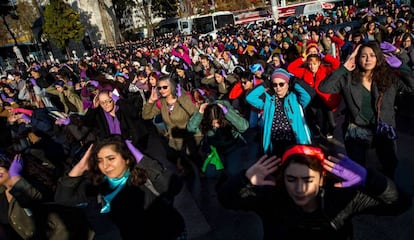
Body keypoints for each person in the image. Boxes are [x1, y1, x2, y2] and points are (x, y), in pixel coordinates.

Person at [217, 144, 412, 240]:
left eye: (308, 180)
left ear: (321, 179)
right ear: (282, 178)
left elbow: (399, 204)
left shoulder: (341, 198)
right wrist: (245, 178)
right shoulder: (272, 198)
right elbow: (227, 200)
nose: (300, 189)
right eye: (291, 179)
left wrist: (369, 179)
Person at [54, 135, 186, 239]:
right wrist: (80, 168)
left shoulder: (143, 175)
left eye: (111, 158)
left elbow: (173, 186)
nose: (105, 166)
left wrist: (141, 159)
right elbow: (63, 199)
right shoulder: (100, 185)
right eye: (100, 160)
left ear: (126, 159)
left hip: (169, 233)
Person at [319, 42, 414, 178]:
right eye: (363, 56)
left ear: (378, 58)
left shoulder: (389, 78)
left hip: (384, 129)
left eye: (372, 55)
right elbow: (324, 88)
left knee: (389, 166)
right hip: (357, 132)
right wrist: (344, 67)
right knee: (358, 170)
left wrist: (402, 66)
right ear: (357, 59)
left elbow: (412, 87)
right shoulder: (348, 79)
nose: (368, 59)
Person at [246, 68, 314, 156]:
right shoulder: (269, 100)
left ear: (287, 84)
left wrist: (294, 81)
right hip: (275, 144)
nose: (278, 87)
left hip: (294, 142)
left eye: (281, 84)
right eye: (275, 85)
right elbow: (250, 97)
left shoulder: (295, 98)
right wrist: (266, 84)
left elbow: (308, 95)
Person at [187, 100, 249, 176]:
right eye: (213, 123)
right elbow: (191, 129)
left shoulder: (228, 115)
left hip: (234, 148)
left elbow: (244, 127)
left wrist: (228, 113)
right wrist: (200, 113)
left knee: (233, 171)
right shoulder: (205, 120)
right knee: (211, 173)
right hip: (216, 151)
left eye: (218, 122)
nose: (216, 125)